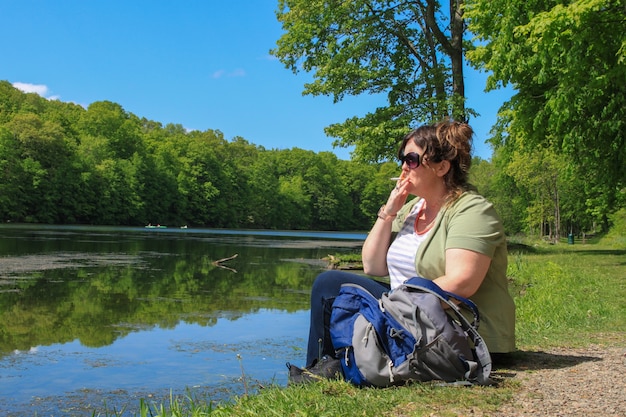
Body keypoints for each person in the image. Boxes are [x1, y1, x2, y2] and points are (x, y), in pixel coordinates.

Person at [302, 120, 516, 374]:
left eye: (412, 159)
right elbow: (373, 265)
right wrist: (388, 213)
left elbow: (462, 283)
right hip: (409, 315)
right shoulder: (412, 210)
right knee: (329, 285)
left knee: (332, 288)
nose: (404, 166)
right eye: (402, 158)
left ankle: (336, 367)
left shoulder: (472, 211)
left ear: (441, 167)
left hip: (460, 335)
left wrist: (390, 307)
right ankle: (322, 367)